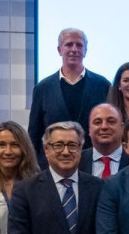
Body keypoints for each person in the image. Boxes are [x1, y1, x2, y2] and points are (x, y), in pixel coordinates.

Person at [29, 28, 111, 168]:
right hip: (51, 167)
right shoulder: (43, 88)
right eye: (69, 44)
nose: (74, 49)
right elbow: (34, 134)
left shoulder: (102, 85)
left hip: (92, 167)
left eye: (79, 45)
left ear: (86, 51)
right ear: (59, 50)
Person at [82, 103, 129, 178]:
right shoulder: (78, 161)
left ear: (122, 128)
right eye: (97, 122)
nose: (104, 127)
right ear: (89, 130)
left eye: (111, 121)